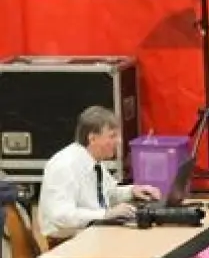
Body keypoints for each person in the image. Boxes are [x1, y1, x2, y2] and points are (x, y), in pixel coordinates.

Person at [38, 105, 160, 244]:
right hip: (69, 243)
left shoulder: (94, 162)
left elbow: (108, 194)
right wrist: (105, 215)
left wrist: (133, 191)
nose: (119, 141)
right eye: (112, 136)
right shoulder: (63, 166)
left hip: (94, 234)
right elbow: (61, 216)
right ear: (92, 139)